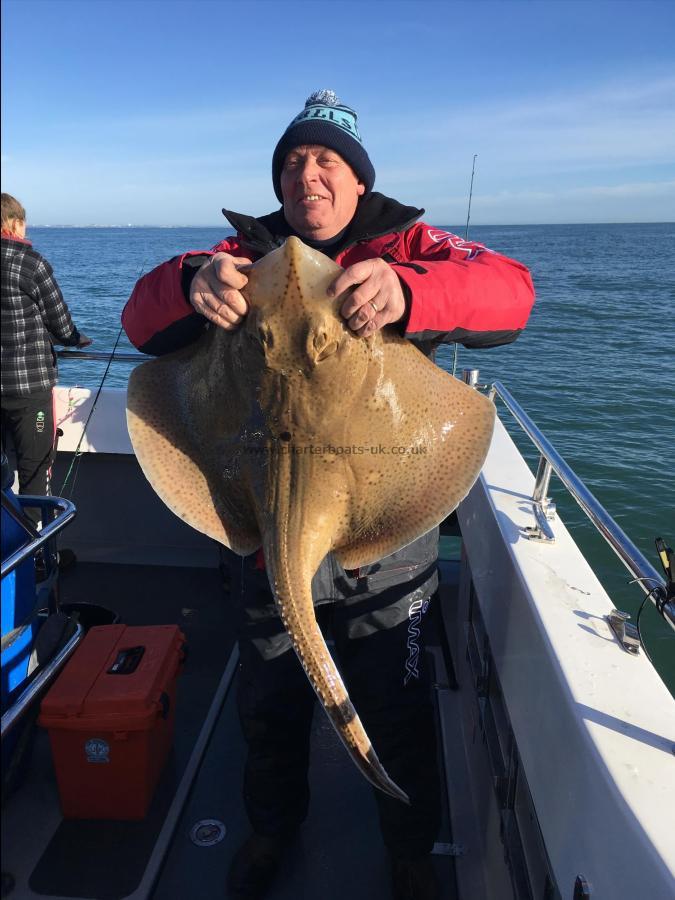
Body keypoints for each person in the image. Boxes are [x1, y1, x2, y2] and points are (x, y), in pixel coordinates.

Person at [122, 90, 535, 900]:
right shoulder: (239, 254)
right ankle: (272, 830)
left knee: (397, 695)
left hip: (384, 517)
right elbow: (143, 324)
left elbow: (511, 291)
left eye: (324, 160)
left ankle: (409, 845)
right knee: (268, 697)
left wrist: (412, 291)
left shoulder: (411, 244)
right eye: (290, 162)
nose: (305, 174)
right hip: (259, 515)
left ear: (356, 178)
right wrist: (189, 283)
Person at [1, 193, 91, 526]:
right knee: (35, 472)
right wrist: (73, 339)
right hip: (28, 389)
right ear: (14, 223)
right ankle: (35, 560)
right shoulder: (31, 263)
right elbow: (60, 321)